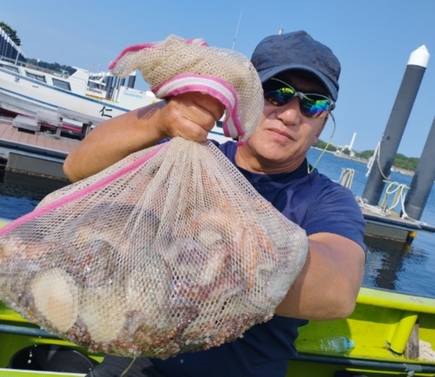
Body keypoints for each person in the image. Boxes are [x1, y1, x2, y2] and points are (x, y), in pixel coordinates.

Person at [64, 30, 366, 377]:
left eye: (313, 103)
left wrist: (227, 247)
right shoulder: (186, 159)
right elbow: (78, 168)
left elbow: (339, 291)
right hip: (139, 362)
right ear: (245, 97)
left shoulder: (328, 200)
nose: (291, 115)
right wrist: (162, 118)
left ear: (322, 123)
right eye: (277, 93)